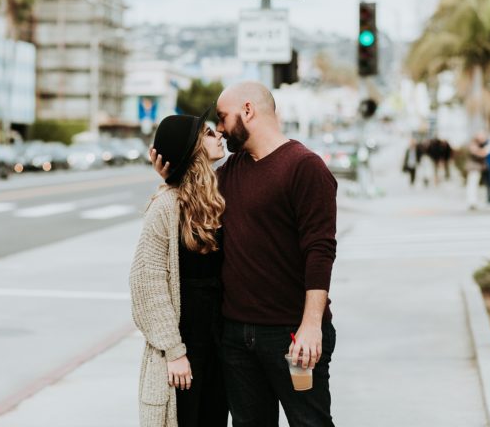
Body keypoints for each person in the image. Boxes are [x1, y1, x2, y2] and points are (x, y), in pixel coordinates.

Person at [152, 82, 338, 427]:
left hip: (291, 336)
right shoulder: (229, 172)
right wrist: (171, 180)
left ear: (248, 111)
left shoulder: (304, 166)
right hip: (236, 338)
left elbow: (320, 249)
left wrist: (312, 326)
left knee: (310, 423)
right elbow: (195, 196)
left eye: (222, 118)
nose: (220, 129)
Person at [130, 110, 229, 427]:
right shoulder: (166, 206)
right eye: (209, 133)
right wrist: (174, 352)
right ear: (192, 149)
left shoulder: (216, 198)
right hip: (184, 346)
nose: (219, 135)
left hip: (218, 343)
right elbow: (148, 286)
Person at [466, 132, 488, 210]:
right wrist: (483, 152)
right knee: (472, 186)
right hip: (473, 168)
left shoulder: (478, 145)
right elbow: (481, 153)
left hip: (476, 168)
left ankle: (473, 202)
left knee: (473, 186)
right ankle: (472, 202)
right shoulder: (473, 144)